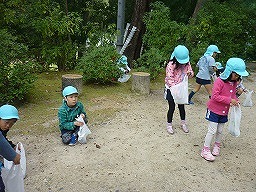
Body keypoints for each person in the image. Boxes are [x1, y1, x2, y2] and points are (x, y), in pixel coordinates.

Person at [200, 58, 249, 161]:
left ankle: (217, 145)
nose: (237, 77)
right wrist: (230, 100)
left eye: (238, 76)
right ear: (229, 72)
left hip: (224, 111)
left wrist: (235, 100)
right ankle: (205, 149)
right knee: (212, 130)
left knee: (220, 130)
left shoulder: (234, 82)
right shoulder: (219, 81)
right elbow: (215, 96)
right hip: (214, 110)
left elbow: (232, 95)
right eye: (235, 75)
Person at [164, 45, 194, 134]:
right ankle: (169, 124)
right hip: (171, 88)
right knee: (172, 107)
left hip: (181, 87)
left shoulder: (187, 63)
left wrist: (190, 73)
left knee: (182, 106)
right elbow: (169, 78)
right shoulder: (171, 64)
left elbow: (191, 72)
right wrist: (174, 89)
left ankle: (183, 123)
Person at [0, 104, 21, 192]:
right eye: (7, 122)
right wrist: (13, 156)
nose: (8, 126)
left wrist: (13, 146)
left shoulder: (3, 129)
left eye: (12, 123)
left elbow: (3, 139)